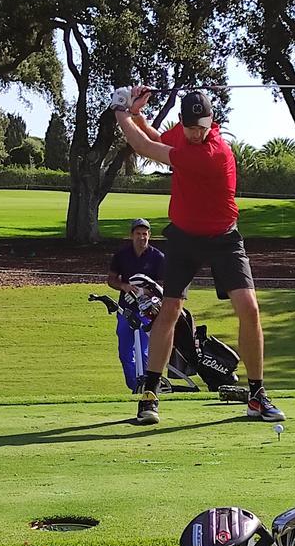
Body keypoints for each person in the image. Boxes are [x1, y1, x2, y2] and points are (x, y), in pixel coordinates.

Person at [111, 85, 285, 425]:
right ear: (185, 122)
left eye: (201, 128)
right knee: (170, 309)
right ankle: (149, 394)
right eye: (190, 128)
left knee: (249, 309)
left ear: (212, 122)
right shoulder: (185, 137)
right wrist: (136, 115)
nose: (194, 134)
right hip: (184, 237)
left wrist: (120, 110)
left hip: (224, 238)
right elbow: (158, 136)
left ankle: (256, 395)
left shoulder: (214, 152)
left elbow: (144, 146)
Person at [107, 218, 166, 391]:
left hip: (148, 311)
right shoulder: (121, 256)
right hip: (126, 308)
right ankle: (134, 387)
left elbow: (163, 285)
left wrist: (145, 291)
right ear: (131, 235)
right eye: (138, 234)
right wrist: (124, 286)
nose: (142, 237)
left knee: (144, 352)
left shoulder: (158, 257)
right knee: (125, 352)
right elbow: (111, 279)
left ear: (149, 235)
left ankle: (146, 388)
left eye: (145, 234)